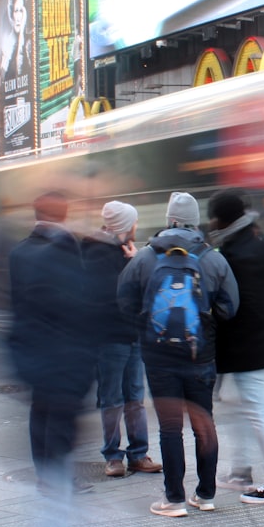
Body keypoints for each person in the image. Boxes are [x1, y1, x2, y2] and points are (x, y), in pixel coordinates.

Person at [118, 192, 238, 517]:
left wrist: (147, 323)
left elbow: (124, 300)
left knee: (170, 428)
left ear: (169, 219)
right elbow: (231, 308)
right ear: (195, 221)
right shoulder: (212, 257)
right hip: (201, 355)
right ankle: (206, 494)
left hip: (159, 358)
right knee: (203, 424)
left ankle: (173, 499)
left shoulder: (145, 256)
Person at [208, 188, 264, 504]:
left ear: (221, 218)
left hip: (248, 345)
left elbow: (230, 305)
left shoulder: (232, 253)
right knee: (248, 410)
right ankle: (241, 470)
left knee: (259, 411)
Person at [6, 192, 96, 498]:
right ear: (64, 214)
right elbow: (76, 302)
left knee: (41, 411)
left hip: (30, 347)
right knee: (61, 414)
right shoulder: (64, 250)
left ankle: (46, 476)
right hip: (63, 347)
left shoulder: (19, 251)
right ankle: (59, 478)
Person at [81, 201, 162, 479]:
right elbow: (106, 297)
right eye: (134, 223)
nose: (137, 227)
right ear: (125, 226)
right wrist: (131, 267)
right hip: (109, 338)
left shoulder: (130, 253)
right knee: (112, 399)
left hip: (134, 335)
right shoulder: (93, 253)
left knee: (135, 398)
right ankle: (113, 456)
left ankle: (139, 454)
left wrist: (135, 262)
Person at [0, 0, 31, 82]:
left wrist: (22, 34)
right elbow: (1, 81)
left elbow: (21, 74)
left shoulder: (30, 42)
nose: (18, 17)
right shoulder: (7, 45)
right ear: (11, 13)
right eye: (15, 11)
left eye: (21, 11)